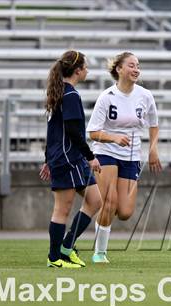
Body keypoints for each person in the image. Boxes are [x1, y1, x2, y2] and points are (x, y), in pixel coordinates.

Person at [87, 52, 162, 263]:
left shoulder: (145, 95)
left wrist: (153, 150)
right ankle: (100, 252)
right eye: (131, 65)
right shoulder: (107, 96)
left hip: (131, 155)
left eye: (138, 65)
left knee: (126, 211)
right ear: (119, 69)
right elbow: (92, 132)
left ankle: (96, 212)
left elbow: (154, 125)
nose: (136, 69)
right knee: (109, 202)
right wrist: (113, 138)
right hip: (106, 152)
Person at [40, 50, 103, 268]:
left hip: (66, 158)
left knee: (95, 201)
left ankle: (66, 247)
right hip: (69, 159)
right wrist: (90, 157)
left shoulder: (61, 93)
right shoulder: (70, 95)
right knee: (62, 209)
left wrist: (47, 158)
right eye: (85, 67)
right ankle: (54, 257)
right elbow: (73, 132)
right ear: (77, 71)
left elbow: (53, 132)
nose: (87, 71)